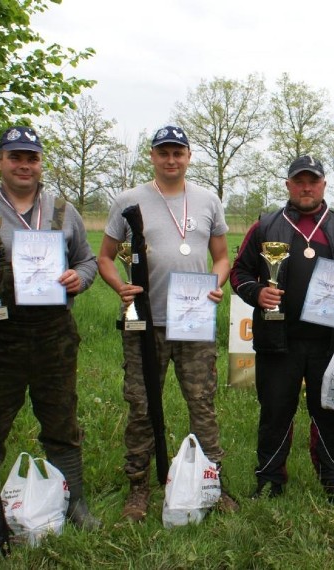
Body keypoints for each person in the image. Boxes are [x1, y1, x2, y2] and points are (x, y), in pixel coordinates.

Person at [0, 126, 100, 551]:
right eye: (15, 157)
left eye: (32, 157)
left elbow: (87, 262)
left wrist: (78, 278)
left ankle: (74, 504)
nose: (24, 165)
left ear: (41, 162)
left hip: (54, 339)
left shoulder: (64, 212)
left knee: (62, 422)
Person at [98, 125, 237, 521]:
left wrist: (217, 281)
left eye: (178, 152)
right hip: (145, 322)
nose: (171, 160)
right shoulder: (129, 201)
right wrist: (119, 287)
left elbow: (222, 256)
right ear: (153, 157)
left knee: (202, 404)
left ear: (189, 156)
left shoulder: (208, 201)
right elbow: (105, 257)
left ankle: (212, 481)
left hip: (193, 322)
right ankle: (138, 486)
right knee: (141, 405)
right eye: (164, 153)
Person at [231, 155, 334, 507]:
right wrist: (257, 292)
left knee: (329, 412)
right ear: (288, 185)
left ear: (324, 184)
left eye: (313, 180)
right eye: (299, 180)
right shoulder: (266, 226)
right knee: (275, 412)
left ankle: (333, 482)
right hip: (278, 341)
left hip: (328, 342)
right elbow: (240, 272)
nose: (306, 187)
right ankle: (269, 480)